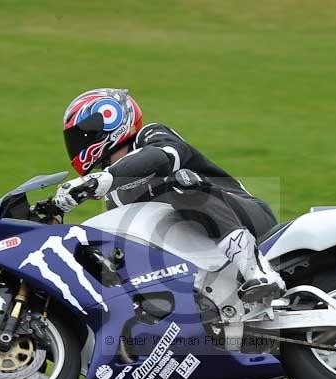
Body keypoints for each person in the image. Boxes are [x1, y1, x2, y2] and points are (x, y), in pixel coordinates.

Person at [57, 88, 285, 303]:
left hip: (251, 217)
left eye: (79, 135)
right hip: (206, 248)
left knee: (179, 183)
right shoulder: (114, 198)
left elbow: (164, 158)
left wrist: (103, 179)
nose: (76, 144)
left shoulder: (150, 136)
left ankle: (259, 271)